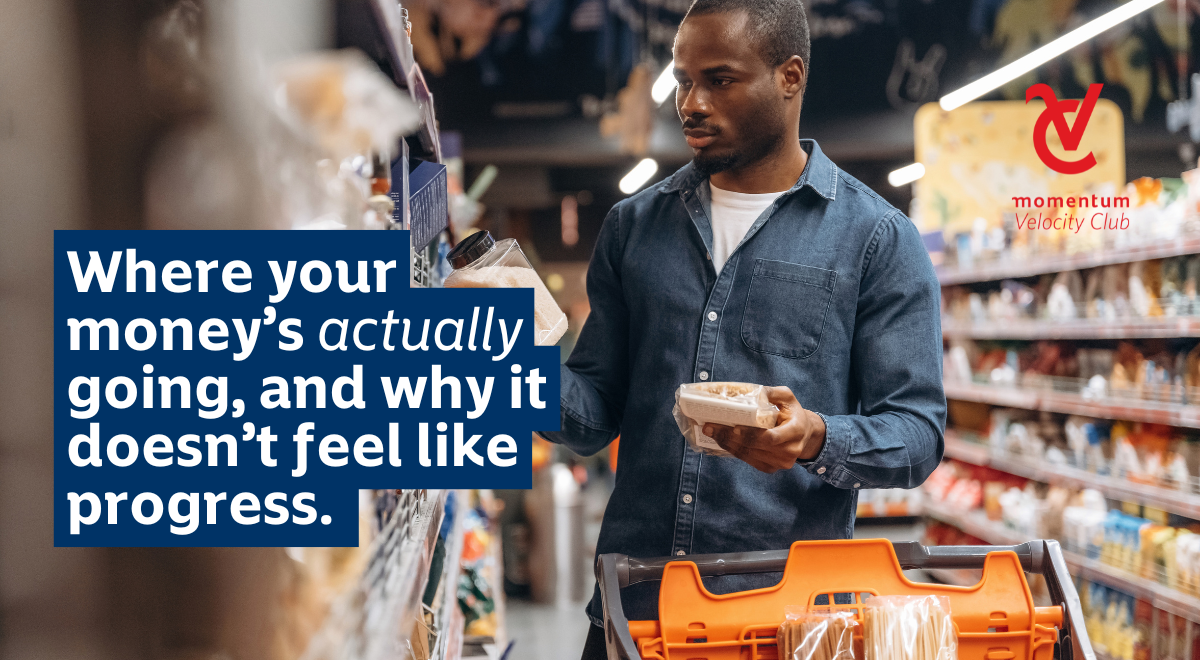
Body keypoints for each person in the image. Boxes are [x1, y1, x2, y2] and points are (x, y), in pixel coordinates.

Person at [539, 0, 946, 656]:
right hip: (636, 612)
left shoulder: (876, 240)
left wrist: (814, 437)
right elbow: (592, 414)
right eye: (683, 80)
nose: (692, 103)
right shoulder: (634, 229)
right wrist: (497, 370)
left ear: (790, 77)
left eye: (720, 80)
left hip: (784, 624)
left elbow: (917, 435)